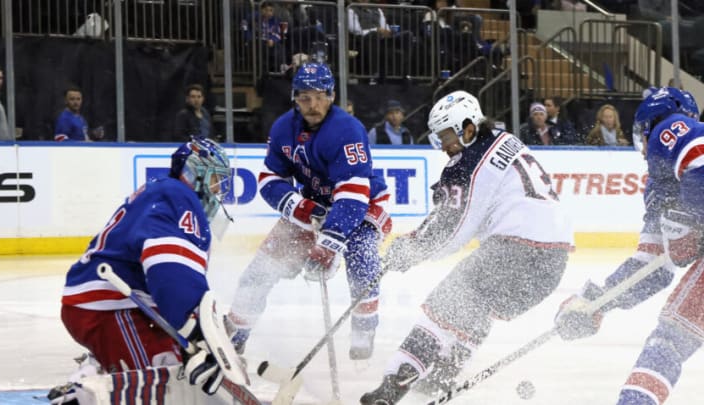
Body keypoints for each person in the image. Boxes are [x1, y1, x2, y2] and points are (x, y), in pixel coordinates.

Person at [360, 90, 573, 404]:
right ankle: (440, 379)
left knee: (444, 305)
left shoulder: (467, 163)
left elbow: (454, 230)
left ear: (469, 128)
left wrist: (410, 248)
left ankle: (392, 387)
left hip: (515, 250)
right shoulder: (504, 138)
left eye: (447, 135)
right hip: (554, 261)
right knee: (477, 309)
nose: (443, 145)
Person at [226, 62, 392, 360]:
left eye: (319, 96)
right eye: (304, 97)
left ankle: (364, 329)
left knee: (362, 256)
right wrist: (302, 209)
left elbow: (352, 194)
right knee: (259, 271)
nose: (313, 104)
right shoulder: (282, 129)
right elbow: (269, 179)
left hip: (363, 203)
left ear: (331, 95)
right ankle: (234, 337)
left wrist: (329, 243)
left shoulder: (347, 130)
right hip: (315, 203)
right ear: (294, 97)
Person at [56, 137, 238, 402]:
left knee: (177, 367)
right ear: (194, 173)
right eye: (215, 179)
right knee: (163, 380)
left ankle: (94, 375)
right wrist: (195, 328)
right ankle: (82, 397)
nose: (218, 190)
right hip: (111, 306)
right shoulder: (179, 197)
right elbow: (169, 270)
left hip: (118, 303)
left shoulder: (165, 191)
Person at [554, 87, 704, 405]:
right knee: (672, 338)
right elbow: (651, 269)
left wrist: (696, 216)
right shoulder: (659, 186)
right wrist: (596, 303)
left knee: (670, 340)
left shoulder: (671, 127)